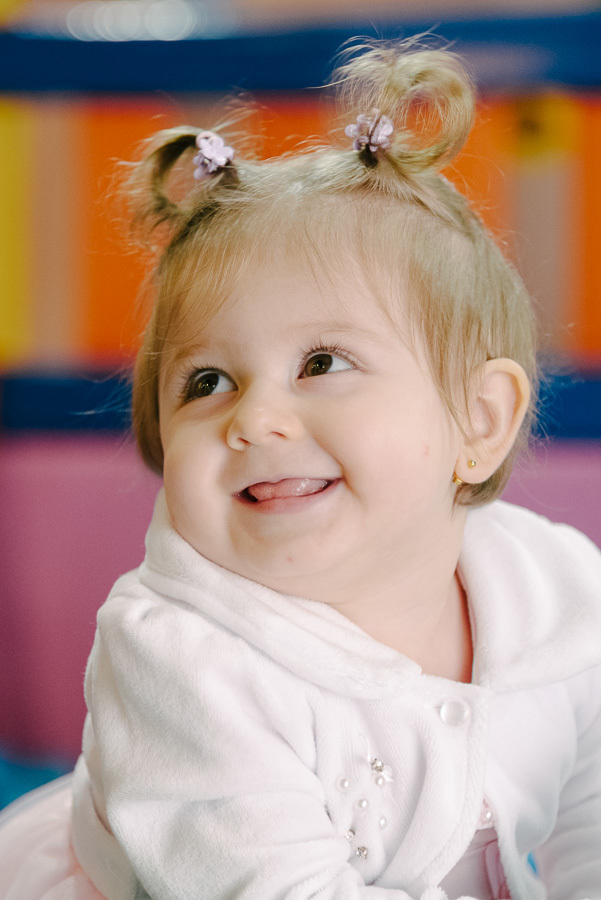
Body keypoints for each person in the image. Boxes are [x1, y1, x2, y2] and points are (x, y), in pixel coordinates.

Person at [2, 38, 601, 900]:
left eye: (322, 363)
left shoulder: (556, 591)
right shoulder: (183, 659)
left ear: (477, 421)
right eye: (207, 383)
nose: (254, 419)